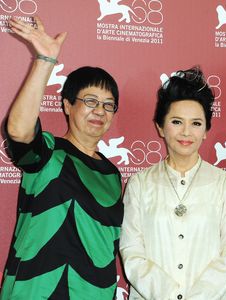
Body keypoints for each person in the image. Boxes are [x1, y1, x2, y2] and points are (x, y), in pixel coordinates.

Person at [0, 17, 123, 299]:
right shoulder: (48, 152)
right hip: (35, 291)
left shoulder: (112, 173)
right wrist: (45, 59)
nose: (100, 111)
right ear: (67, 105)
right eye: (90, 101)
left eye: (108, 105)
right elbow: (18, 130)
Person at [119, 67, 226, 300]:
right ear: (160, 126)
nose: (186, 132)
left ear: (207, 130)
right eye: (177, 121)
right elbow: (132, 251)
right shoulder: (139, 184)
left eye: (196, 123)